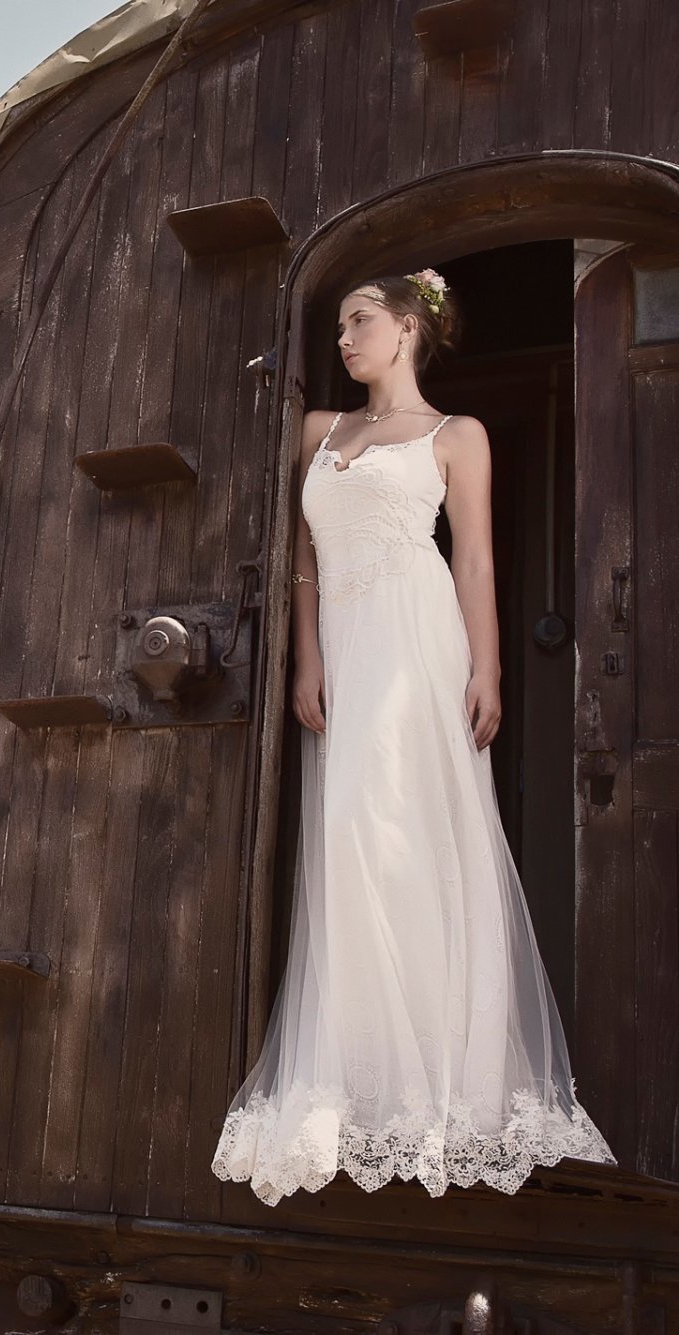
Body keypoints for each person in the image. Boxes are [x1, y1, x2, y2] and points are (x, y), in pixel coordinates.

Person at [209, 268, 616, 1206]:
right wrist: (306, 660)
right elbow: (301, 557)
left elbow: (472, 558)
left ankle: (442, 1092)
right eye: (342, 322)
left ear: (406, 329)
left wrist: (490, 669)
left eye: (360, 321)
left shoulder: (455, 437)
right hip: (347, 647)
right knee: (347, 842)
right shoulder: (317, 432)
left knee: (405, 837)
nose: (344, 338)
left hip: (419, 643)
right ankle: (356, 1083)